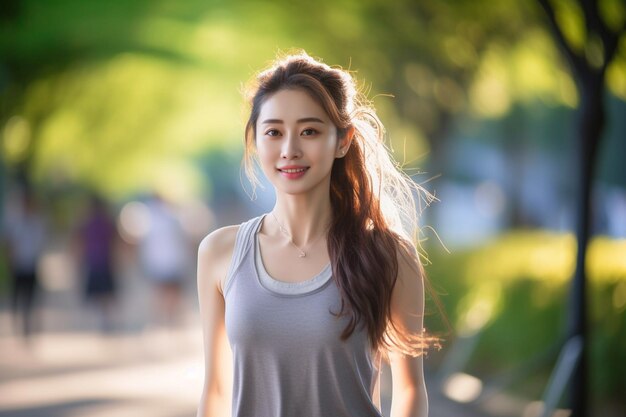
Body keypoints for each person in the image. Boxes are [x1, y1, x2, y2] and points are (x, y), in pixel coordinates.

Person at [196, 52, 437, 417]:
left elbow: (409, 390)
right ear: (256, 140)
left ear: (342, 141)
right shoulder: (219, 252)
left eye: (309, 131)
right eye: (274, 132)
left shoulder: (388, 255)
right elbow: (215, 389)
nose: (290, 150)